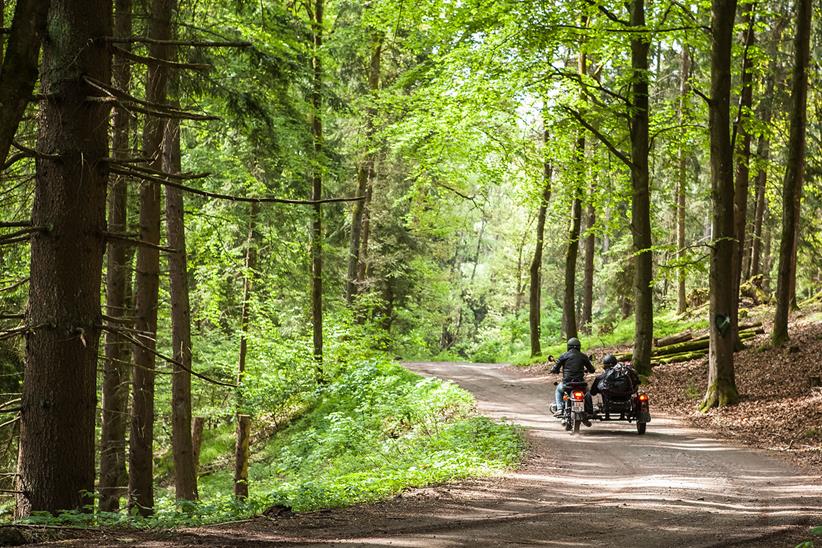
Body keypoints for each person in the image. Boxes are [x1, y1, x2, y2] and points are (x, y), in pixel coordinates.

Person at [550, 337, 595, 419]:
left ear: (568, 346)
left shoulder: (564, 356)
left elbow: (555, 368)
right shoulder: (583, 356)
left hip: (567, 384)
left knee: (558, 390)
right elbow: (592, 369)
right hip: (580, 384)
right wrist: (588, 370)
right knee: (587, 392)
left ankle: (560, 409)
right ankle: (590, 410)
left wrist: (554, 370)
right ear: (579, 346)